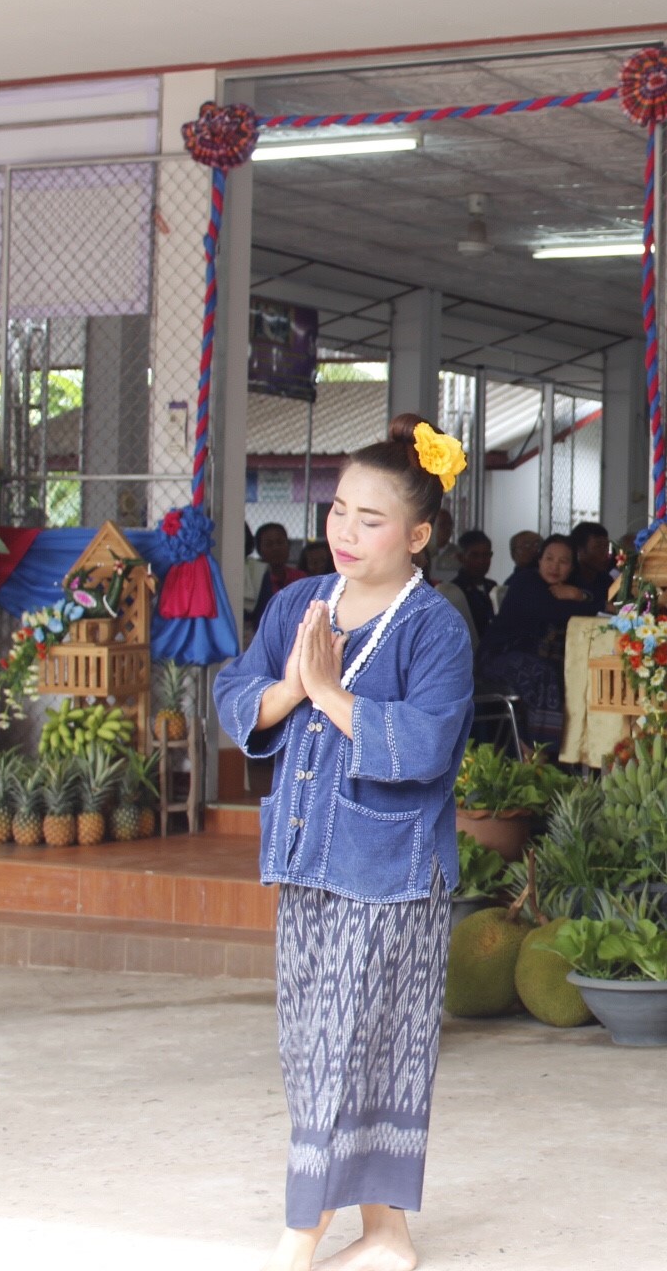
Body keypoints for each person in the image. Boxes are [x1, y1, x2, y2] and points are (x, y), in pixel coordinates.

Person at [213, 416, 474, 1271]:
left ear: (419, 535)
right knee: (314, 1040)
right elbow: (237, 691)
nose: (346, 531)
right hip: (305, 859)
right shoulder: (297, 602)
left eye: (372, 518)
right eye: (338, 510)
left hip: (389, 872)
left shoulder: (434, 627)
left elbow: (428, 744)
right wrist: (296, 685)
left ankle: (306, 1225)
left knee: (362, 1042)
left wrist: (328, 694)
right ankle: (388, 1230)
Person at [479, 533, 601, 746]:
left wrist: (580, 595)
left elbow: (591, 606)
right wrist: (579, 597)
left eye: (563, 561)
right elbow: (557, 612)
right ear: (539, 561)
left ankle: (569, 749)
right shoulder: (526, 582)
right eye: (549, 559)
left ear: (572, 568)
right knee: (544, 674)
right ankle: (538, 751)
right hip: (500, 657)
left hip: (534, 657)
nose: (555, 566)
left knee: (573, 673)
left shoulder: (569, 588)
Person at [248, 523, 299, 630]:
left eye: (280, 542)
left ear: (288, 545)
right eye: (269, 544)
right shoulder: (255, 579)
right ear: (259, 549)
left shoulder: (300, 577)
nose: (276, 548)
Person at [449, 529, 496, 641]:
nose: (481, 561)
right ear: (461, 557)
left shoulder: (492, 587)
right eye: (474, 555)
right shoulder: (454, 591)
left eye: (486, 555)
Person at [567, 521, 613, 603]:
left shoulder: (606, 580)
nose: (606, 553)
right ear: (579, 549)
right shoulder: (567, 579)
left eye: (606, 547)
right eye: (598, 547)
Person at [427, 507, 462, 584]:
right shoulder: (422, 553)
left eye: (450, 524)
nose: (447, 528)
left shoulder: (459, 554)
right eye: (442, 524)